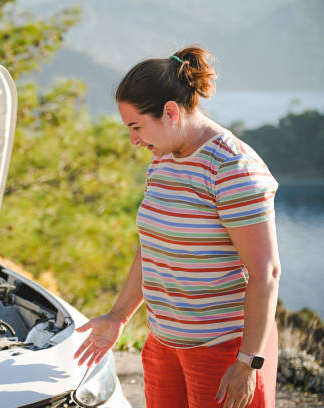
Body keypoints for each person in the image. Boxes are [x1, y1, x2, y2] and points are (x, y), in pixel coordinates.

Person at [74, 46, 281, 408]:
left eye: (136, 127)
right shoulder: (164, 160)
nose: (133, 140)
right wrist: (118, 315)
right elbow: (153, 247)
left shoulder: (232, 167)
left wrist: (248, 362)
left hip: (224, 352)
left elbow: (265, 272)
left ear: (170, 112)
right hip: (163, 346)